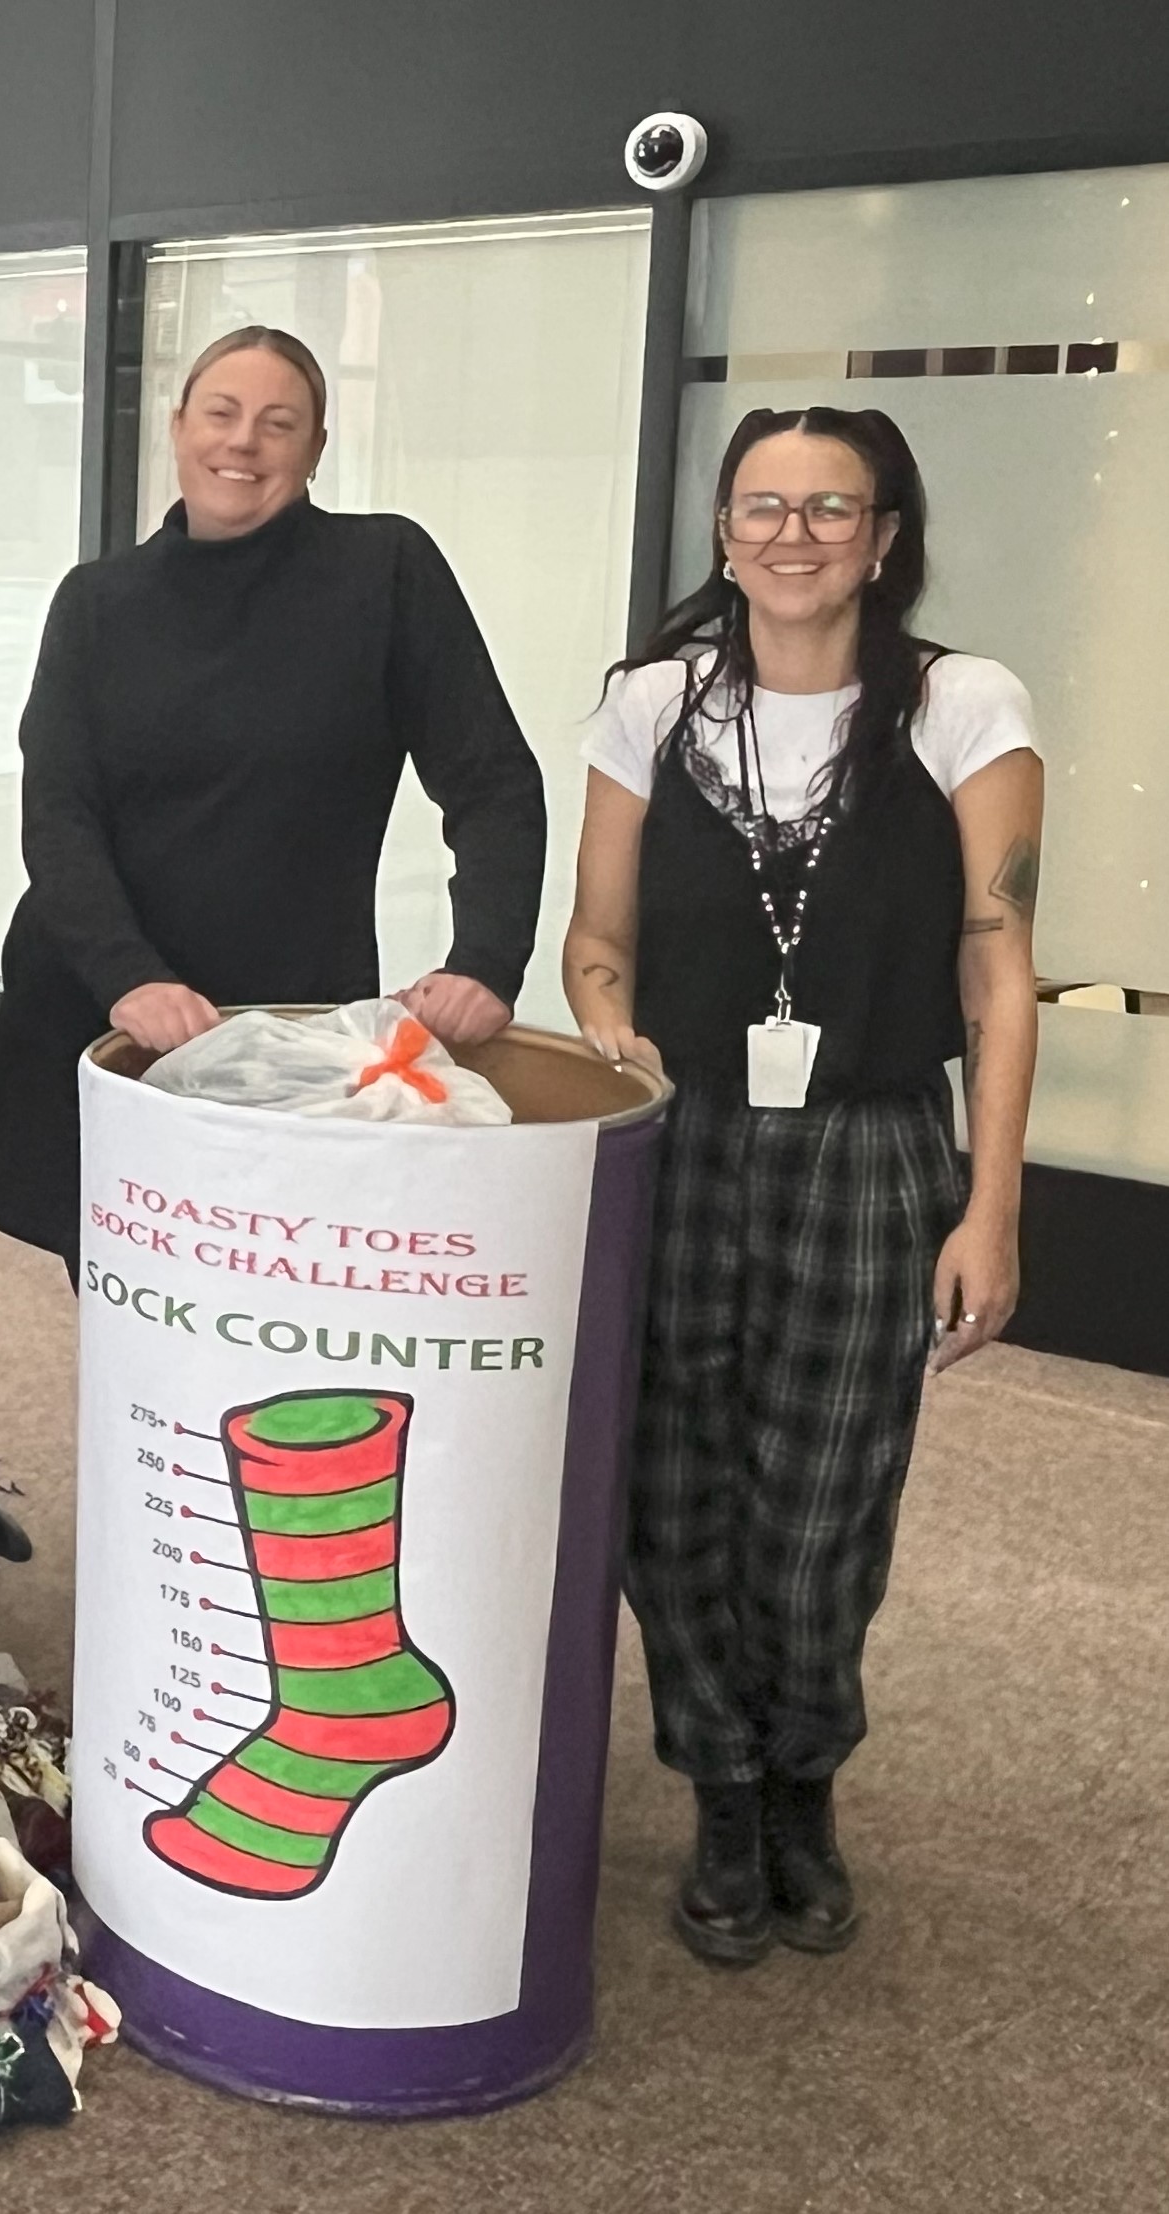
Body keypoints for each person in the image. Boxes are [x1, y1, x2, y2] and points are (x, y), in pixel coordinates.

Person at [564, 406, 1038, 1966]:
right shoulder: (650, 702)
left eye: (831, 506)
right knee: (671, 1481)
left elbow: (1000, 962)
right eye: (762, 504)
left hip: (874, 1141)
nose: (793, 532)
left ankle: (803, 1773)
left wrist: (994, 1203)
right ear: (723, 530)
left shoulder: (962, 703)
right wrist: (611, 1023)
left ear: (885, 536)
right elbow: (598, 933)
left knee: (826, 1494)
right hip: (682, 1129)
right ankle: (718, 1779)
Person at [0, 326, 548, 1257]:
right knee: (134, 1324)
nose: (243, 442)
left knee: (286, 1300)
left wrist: (487, 956)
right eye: (222, 414)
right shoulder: (96, 603)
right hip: (109, 1020)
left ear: (316, 450)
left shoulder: (385, 573)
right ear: (178, 427)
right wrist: (130, 977)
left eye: (279, 423)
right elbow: (59, 815)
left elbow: (493, 784)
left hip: (294, 1032)